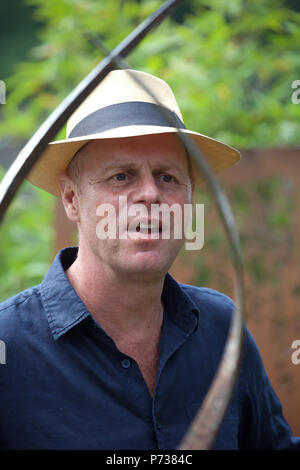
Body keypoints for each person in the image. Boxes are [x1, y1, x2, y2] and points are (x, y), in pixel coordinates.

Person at [0, 69, 299, 450]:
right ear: (72, 199)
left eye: (168, 177)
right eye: (121, 176)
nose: (150, 195)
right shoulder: (9, 347)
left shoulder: (221, 330)